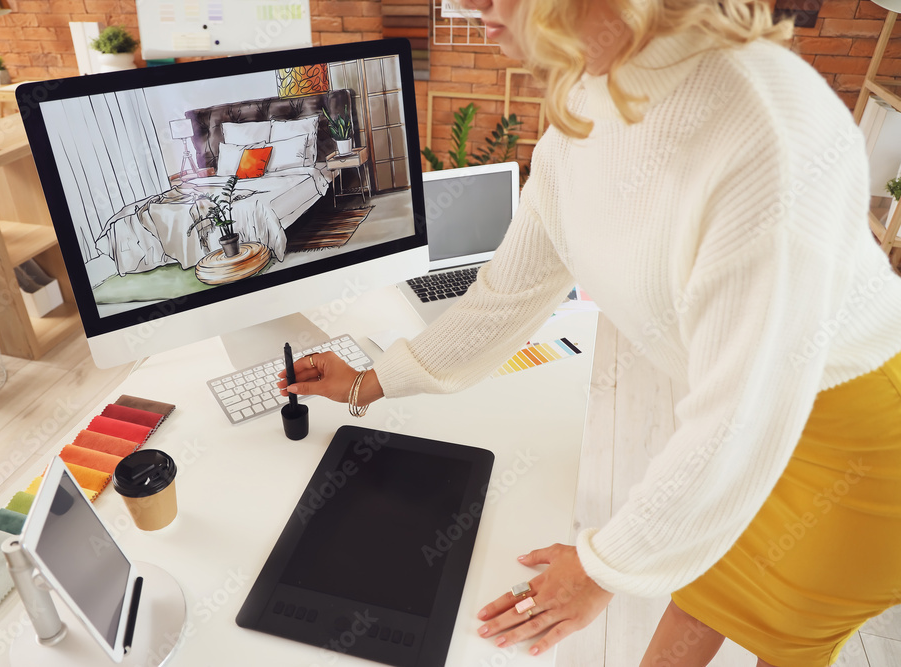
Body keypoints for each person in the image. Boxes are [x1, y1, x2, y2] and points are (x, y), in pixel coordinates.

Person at [279, 1, 901, 665]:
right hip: (737, 434)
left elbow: (741, 418)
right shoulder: (590, 92)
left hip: (855, 455)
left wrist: (601, 566)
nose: (466, 2)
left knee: (781, 641)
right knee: (692, 604)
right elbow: (509, 293)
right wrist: (372, 382)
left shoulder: (766, 127)